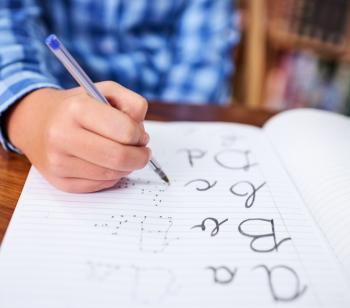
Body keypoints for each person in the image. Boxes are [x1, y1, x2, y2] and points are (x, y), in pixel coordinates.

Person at [0, 0, 239, 193]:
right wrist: (32, 113)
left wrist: (162, 128)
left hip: (166, 117)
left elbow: (201, 65)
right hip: (57, 105)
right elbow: (6, 28)